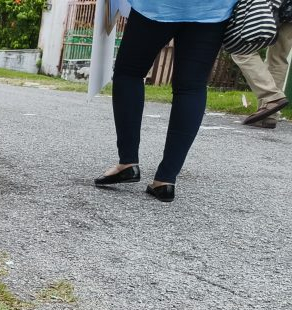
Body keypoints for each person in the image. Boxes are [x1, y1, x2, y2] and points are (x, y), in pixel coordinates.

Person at [94, 0, 237, 203]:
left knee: (129, 73)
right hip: (212, 9)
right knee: (191, 87)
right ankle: (166, 179)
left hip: (156, 6)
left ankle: (128, 163)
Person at [232, 2, 291, 128]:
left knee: (240, 49)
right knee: (278, 58)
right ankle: (269, 115)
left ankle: (271, 97)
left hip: (269, 5)